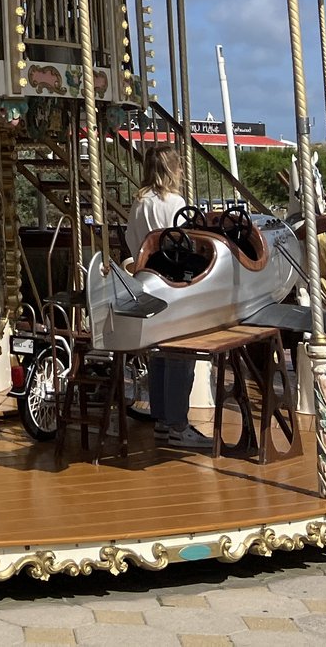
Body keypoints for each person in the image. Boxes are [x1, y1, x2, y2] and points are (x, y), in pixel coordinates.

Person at [126, 141, 210, 449]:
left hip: (148, 280)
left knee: (159, 352)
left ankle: (162, 418)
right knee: (181, 355)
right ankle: (177, 423)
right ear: (171, 170)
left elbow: (134, 243)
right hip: (174, 282)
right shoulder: (174, 203)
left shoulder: (138, 203)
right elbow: (190, 243)